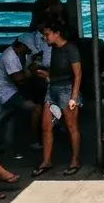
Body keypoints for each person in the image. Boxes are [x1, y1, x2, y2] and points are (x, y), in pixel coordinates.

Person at [34, 20, 83, 177]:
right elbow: (56, 72)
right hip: (53, 88)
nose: (45, 38)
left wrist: (74, 97)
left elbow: (78, 75)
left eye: (47, 34)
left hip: (67, 90)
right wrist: (47, 75)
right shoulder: (53, 48)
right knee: (46, 126)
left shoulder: (71, 49)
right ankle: (46, 161)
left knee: (71, 127)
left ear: (57, 34)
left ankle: (75, 160)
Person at [0, 36, 44, 149]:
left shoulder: (13, 52)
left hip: (11, 89)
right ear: (21, 46)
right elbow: (18, 78)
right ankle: (34, 140)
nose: (27, 50)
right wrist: (32, 72)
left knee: (36, 95)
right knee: (37, 108)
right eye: (26, 48)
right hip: (7, 94)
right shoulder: (10, 57)